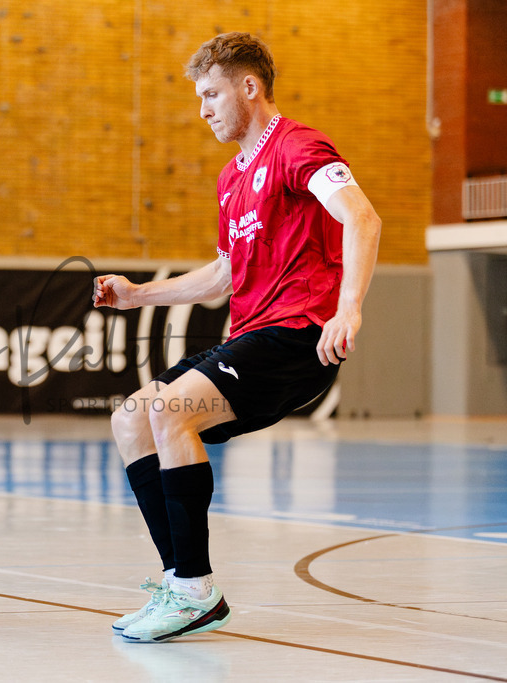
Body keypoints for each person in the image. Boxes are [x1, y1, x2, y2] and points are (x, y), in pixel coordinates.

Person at [93, 32, 381, 643]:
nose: (203, 109)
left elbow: (362, 216)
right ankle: (182, 582)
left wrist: (347, 309)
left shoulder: (299, 147)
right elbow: (225, 273)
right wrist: (138, 294)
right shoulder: (231, 178)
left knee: (171, 411)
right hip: (251, 336)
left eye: (211, 94)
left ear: (248, 87)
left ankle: (194, 590)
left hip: (298, 337)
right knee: (131, 420)